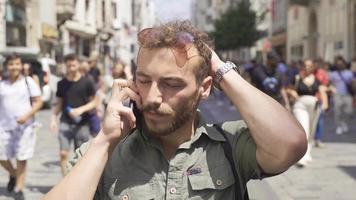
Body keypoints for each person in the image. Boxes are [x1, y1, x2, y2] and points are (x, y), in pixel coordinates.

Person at [44, 21, 307, 200]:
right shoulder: (103, 151)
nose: (153, 97)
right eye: (144, 80)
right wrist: (104, 141)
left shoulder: (230, 146)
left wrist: (219, 69)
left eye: (171, 84)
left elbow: (291, 143)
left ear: (204, 88)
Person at [0, 54, 43, 200]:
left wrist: (26, 116)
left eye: (17, 64)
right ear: (7, 66)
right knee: (2, 156)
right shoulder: (2, 84)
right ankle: (13, 174)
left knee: (21, 157)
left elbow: (38, 102)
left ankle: (19, 188)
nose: (14, 67)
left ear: (21, 65)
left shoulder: (28, 82)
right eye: (11, 64)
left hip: (24, 127)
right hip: (4, 126)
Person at [49, 53, 98, 175]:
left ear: (78, 65)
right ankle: (65, 182)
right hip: (65, 121)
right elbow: (59, 103)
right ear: (65, 66)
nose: (71, 68)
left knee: (81, 155)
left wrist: (81, 109)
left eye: (73, 65)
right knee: (63, 153)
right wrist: (53, 118)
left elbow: (95, 102)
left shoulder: (87, 82)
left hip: (82, 123)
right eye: (69, 65)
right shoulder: (61, 84)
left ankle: (78, 182)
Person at [287, 59, 328, 167]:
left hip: (314, 106)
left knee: (311, 130)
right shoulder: (297, 78)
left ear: (313, 67)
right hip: (300, 105)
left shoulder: (316, 79)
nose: (307, 67)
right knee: (304, 129)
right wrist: (293, 93)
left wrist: (325, 103)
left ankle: (308, 152)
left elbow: (321, 90)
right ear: (302, 66)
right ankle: (302, 157)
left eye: (309, 66)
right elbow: (288, 89)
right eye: (305, 65)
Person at [329, 56, 354, 134]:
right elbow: (330, 84)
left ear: (344, 64)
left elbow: (352, 83)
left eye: (341, 64)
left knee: (349, 111)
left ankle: (344, 123)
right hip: (337, 95)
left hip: (347, 95)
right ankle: (339, 126)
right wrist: (332, 89)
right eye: (338, 64)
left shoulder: (349, 73)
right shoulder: (333, 74)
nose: (339, 65)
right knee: (337, 111)